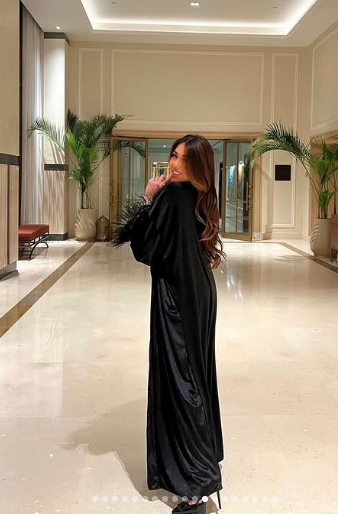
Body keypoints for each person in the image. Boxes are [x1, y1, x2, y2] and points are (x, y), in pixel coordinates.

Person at [113, 135, 225, 514]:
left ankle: (196, 486)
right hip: (199, 293)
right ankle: (202, 462)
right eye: (173, 156)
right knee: (194, 374)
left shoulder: (173, 195)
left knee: (181, 381)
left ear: (198, 165)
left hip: (177, 298)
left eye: (183, 160)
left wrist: (148, 199)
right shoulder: (198, 195)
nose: (174, 165)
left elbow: (144, 247)